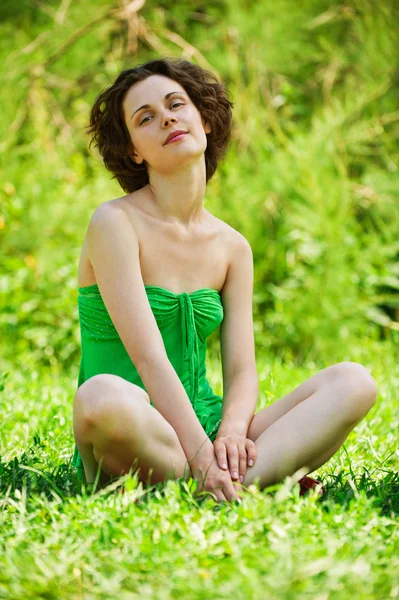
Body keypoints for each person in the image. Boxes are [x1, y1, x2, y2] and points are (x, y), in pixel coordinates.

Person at [72, 57, 378, 504]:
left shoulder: (232, 247)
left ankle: (222, 482)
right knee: (100, 398)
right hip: (138, 425)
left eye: (177, 104)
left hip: (210, 429)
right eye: (146, 118)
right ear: (134, 149)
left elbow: (241, 370)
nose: (167, 118)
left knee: (354, 382)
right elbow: (149, 357)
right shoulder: (114, 223)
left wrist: (232, 433)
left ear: (204, 119)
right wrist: (199, 453)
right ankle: (245, 481)